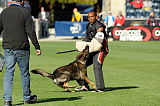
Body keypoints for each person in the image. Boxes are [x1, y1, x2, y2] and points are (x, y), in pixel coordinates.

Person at [0, 0, 41, 106]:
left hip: (8, 47)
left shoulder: (4, 12)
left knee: (9, 73)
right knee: (24, 74)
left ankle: (7, 100)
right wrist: (37, 46)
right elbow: (31, 32)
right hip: (22, 47)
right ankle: (27, 98)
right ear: (22, 1)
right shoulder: (25, 12)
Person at [76, 11, 109, 92]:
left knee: (96, 66)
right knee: (80, 65)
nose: (90, 18)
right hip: (92, 49)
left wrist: (87, 46)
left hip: (101, 49)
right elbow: (88, 38)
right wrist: (82, 45)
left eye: (92, 17)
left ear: (96, 17)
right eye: (89, 17)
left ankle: (100, 88)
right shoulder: (88, 25)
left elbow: (98, 42)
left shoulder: (100, 27)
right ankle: (84, 86)